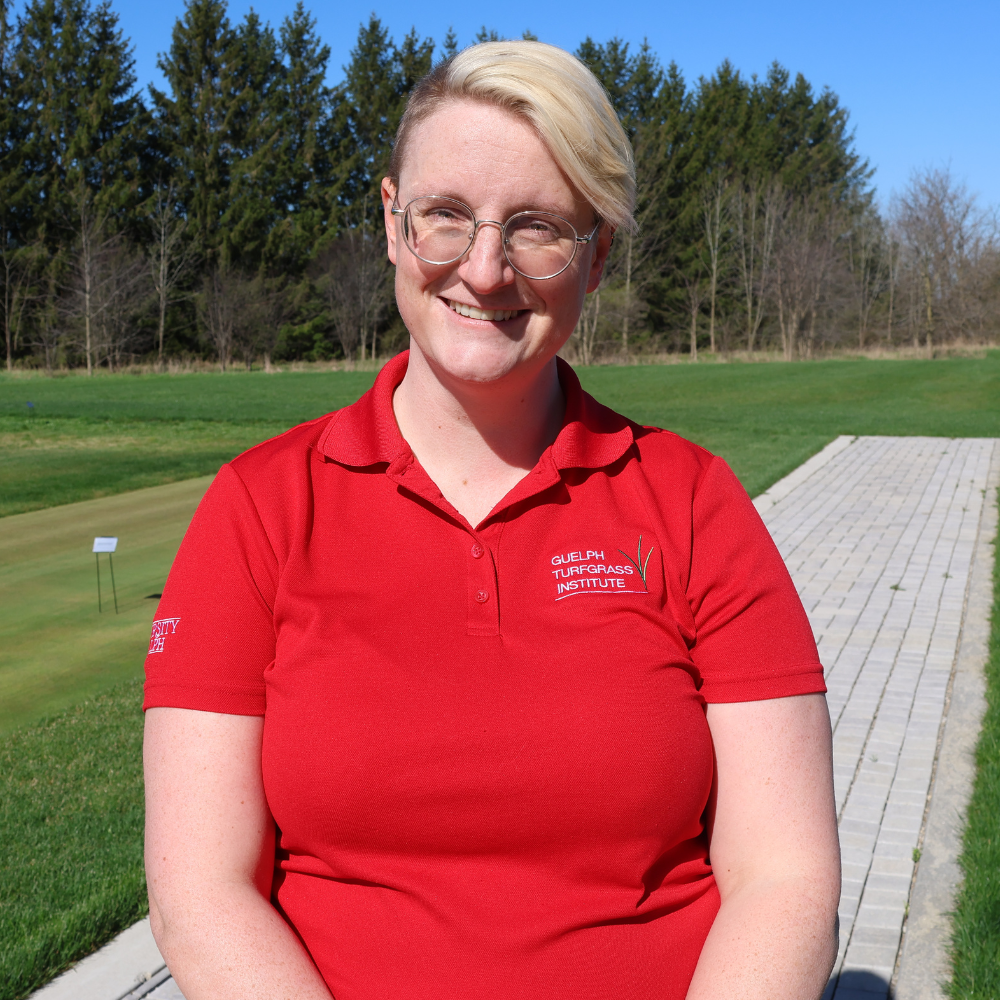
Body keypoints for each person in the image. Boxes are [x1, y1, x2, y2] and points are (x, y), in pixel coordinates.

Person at [143, 40, 840, 1000]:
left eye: (536, 227)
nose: (484, 268)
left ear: (595, 258)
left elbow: (786, 881)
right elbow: (199, 891)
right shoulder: (261, 509)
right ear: (392, 223)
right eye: (446, 216)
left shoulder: (691, 503)